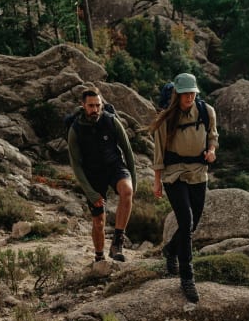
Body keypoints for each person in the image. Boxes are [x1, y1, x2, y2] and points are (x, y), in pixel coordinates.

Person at [149, 72, 218, 303]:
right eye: (185, 93)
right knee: (186, 221)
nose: (189, 97)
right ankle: (187, 277)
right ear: (176, 94)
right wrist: (157, 182)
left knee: (194, 221)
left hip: (198, 172)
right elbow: (158, 153)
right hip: (174, 173)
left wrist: (212, 151)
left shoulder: (207, 112)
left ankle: (170, 250)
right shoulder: (165, 119)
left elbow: (212, 136)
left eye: (192, 93)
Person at [67, 86, 136, 263]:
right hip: (92, 174)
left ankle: (117, 243)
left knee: (127, 191)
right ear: (83, 105)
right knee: (98, 221)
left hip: (114, 166)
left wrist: (133, 183)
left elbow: (128, 153)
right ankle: (99, 257)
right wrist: (90, 192)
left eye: (98, 105)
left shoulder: (111, 121)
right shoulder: (75, 130)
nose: (95, 109)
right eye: (91, 106)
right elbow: (76, 165)